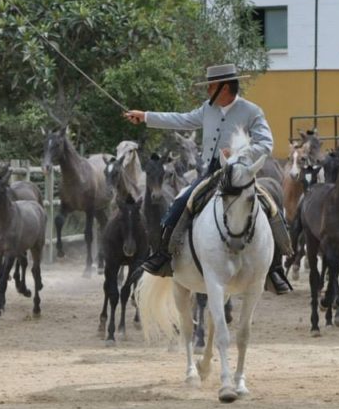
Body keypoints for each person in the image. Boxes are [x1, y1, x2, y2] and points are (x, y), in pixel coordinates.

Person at [124, 63, 292, 294]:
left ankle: (274, 268)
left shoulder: (252, 111)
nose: (207, 91)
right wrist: (145, 116)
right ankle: (164, 255)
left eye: (210, 86)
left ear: (224, 88)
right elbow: (181, 120)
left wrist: (238, 153)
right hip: (211, 171)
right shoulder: (207, 109)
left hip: (240, 172)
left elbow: (266, 144)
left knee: (271, 206)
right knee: (181, 203)